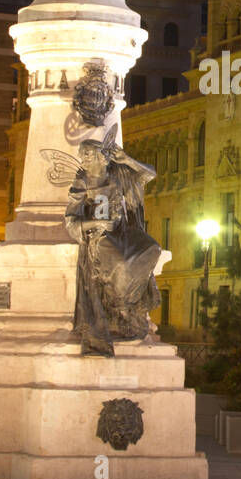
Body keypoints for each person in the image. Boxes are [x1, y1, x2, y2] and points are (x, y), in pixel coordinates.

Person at [64, 134, 160, 354]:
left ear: (102, 158)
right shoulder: (82, 181)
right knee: (121, 263)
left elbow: (149, 174)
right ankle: (120, 307)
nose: (84, 161)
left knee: (151, 248)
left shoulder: (118, 173)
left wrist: (126, 159)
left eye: (88, 156)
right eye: (83, 157)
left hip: (123, 230)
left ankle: (130, 301)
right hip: (100, 236)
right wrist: (96, 222)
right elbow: (71, 221)